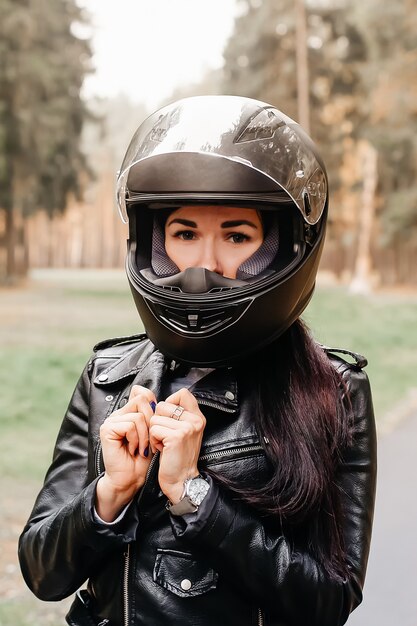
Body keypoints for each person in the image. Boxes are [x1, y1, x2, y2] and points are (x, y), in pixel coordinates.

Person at [18, 95, 377, 626]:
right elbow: (43, 574)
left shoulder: (334, 390)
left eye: (236, 235)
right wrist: (110, 492)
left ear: (282, 248)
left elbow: (328, 601)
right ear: (153, 243)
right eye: (184, 235)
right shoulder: (106, 379)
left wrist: (195, 496)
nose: (202, 268)